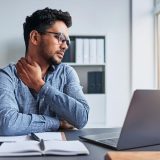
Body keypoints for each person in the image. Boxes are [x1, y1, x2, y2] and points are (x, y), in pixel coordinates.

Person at [0, 7, 89, 136]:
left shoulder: (67, 73)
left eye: (67, 42)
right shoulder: (7, 76)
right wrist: (57, 123)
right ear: (35, 37)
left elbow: (81, 118)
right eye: (59, 38)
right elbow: (7, 124)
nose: (64, 46)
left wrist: (40, 86)